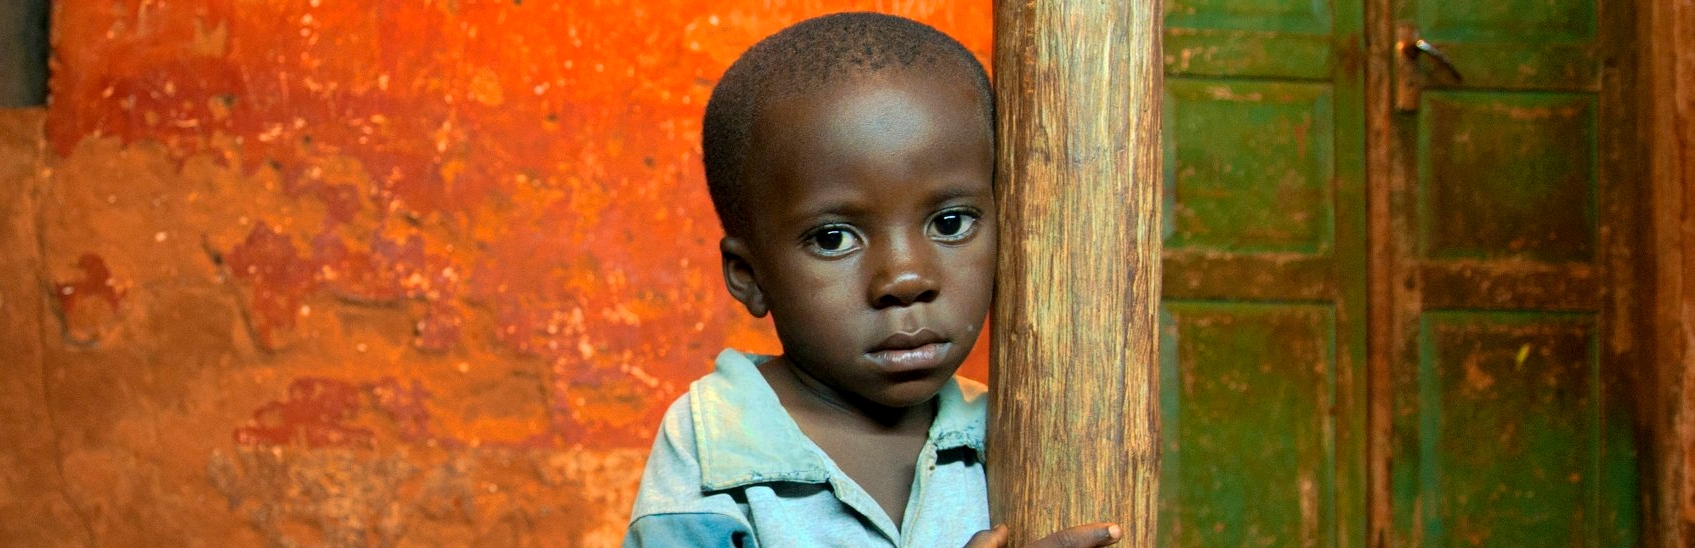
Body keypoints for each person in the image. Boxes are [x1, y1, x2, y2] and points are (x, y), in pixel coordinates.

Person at [623, 12, 1122, 548]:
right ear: (749, 276)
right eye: (834, 238)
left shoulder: (1016, 435)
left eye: (949, 224)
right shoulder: (714, 450)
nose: (905, 279)